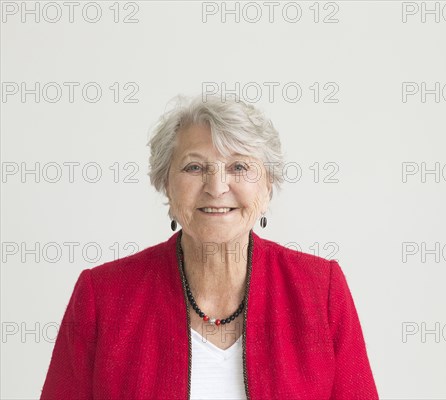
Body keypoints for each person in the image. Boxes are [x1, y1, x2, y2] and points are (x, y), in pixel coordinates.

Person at [40, 94, 379, 399]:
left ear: (268, 185)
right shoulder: (102, 296)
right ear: (164, 183)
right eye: (195, 167)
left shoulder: (320, 290)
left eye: (239, 167)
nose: (217, 187)